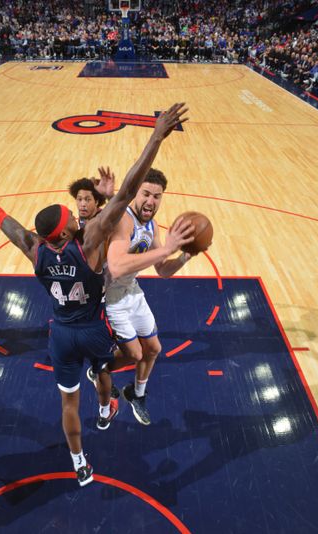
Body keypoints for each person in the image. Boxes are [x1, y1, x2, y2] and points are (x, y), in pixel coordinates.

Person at [0, 102, 188, 486]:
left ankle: (79, 462)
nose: (77, 213)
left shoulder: (34, 249)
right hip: (93, 328)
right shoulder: (87, 245)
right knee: (103, 370)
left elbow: (0, 217)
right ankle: (105, 411)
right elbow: (128, 191)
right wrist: (156, 135)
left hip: (61, 334)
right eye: (73, 216)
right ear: (69, 231)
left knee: (68, 402)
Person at [89, 167, 197, 426]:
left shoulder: (152, 225)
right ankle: (98, 371)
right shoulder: (123, 220)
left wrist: (183, 255)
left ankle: (135, 394)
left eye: (157, 196)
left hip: (132, 290)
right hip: (110, 297)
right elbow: (115, 266)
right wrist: (166, 250)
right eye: (146, 194)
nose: (151, 201)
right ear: (135, 193)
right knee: (135, 355)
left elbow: (163, 271)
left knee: (154, 349)